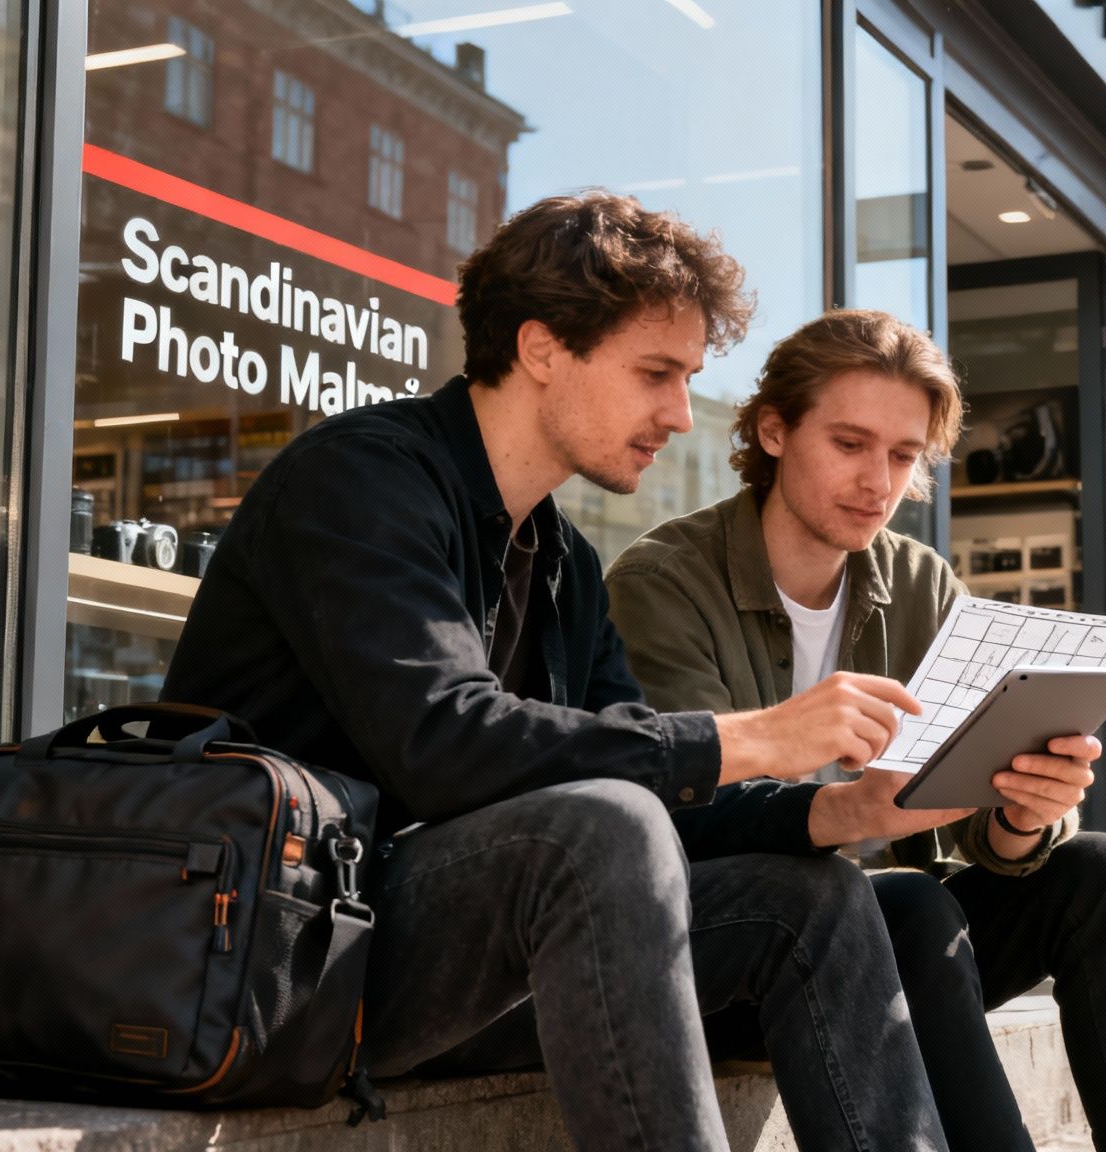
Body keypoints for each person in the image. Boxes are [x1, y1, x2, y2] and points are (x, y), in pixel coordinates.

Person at [160, 194, 947, 1152]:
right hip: (287, 954)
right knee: (597, 825)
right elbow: (444, 745)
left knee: (814, 897)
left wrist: (842, 812)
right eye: (656, 374)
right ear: (541, 347)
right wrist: (750, 735)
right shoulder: (361, 480)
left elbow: (661, 794)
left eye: (688, 378)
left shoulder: (565, 562)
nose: (679, 414)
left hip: (461, 958)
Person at [606, 309, 1106, 1152]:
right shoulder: (664, 581)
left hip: (902, 946)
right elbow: (686, 805)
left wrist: (1022, 813)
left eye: (902, 455)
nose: (878, 482)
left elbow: (970, 799)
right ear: (774, 431)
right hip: (740, 955)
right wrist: (856, 810)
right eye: (851, 444)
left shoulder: (916, 578)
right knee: (908, 902)